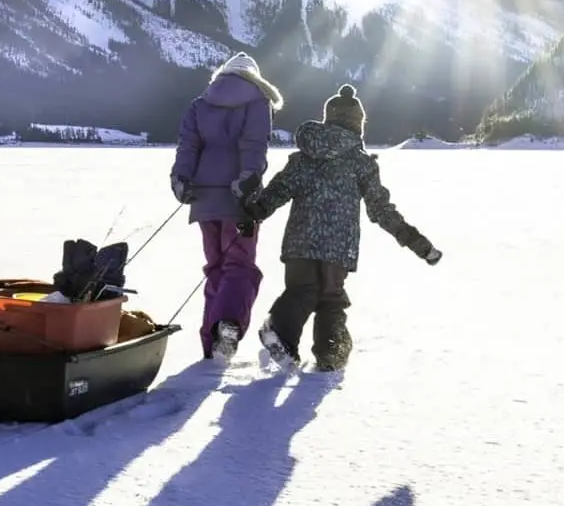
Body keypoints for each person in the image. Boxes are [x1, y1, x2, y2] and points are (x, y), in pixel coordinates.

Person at [238, 84, 442, 372]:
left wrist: (256, 212)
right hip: (338, 246)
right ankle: (330, 352)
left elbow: (279, 189)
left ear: (328, 119)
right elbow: (381, 210)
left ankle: (280, 332)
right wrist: (418, 243)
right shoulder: (361, 164)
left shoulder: (304, 157)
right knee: (331, 299)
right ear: (358, 125)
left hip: (299, 241)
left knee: (301, 290)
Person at [169, 51, 284, 363]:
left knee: (216, 267)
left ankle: (211, 346)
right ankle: (227, 325)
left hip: (203, 197)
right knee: (240, 266)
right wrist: (248, 179)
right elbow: (254, 144)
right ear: (253, 77)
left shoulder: (200, 104)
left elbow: (188, 146)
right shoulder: (257, 101)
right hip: (239, 199)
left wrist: (181, 178)